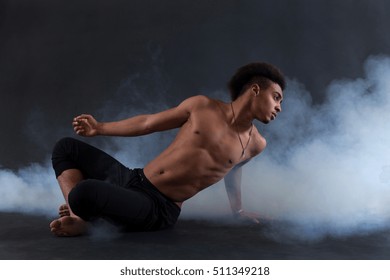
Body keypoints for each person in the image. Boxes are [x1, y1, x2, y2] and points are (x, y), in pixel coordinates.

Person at [49, 62, 285, 237]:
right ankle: (78, 218)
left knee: (83, 193)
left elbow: (234, 169)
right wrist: (99, 128)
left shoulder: (257, 144)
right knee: (66, 148)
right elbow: (148, 123)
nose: (279, 107)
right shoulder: (201, 106)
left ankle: (85, 217)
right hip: (134, 178)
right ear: (255, 90)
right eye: (276, 97)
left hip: (159, 207)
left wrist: (238, 210)